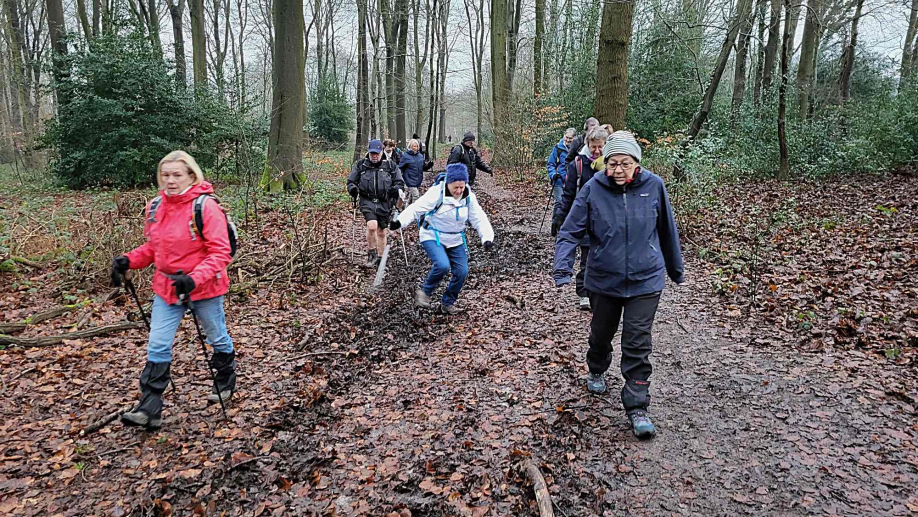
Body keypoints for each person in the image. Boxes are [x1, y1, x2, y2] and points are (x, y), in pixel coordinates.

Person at [553, 131, 684, 439]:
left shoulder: (654, 187)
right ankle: (597, 367)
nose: (618, 170)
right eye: (612, 163)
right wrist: (563, 269)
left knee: (637, 343)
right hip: (604, 280)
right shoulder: (593, 189)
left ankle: (637, 406)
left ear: (637, 162)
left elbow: (667, 232)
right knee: (601, 334)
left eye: (625, 163)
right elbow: (570, 231)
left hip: (645, 280)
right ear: (604, 163)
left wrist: (675, 270)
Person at [111, 151, 237, 430]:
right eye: (165, 175)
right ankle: (150, 406)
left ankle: (226, 378)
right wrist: (129, 260)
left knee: (216, 337)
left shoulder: (205, 207)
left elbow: (221, 252)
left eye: (176, 175)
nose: (170, 180)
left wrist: (194, 278)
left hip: (204, 287)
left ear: (191, 175)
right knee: (157, 342)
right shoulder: (156, 207)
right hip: (167, 288)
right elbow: (153, 249)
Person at [389, 163, 494, 314]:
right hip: (432, 235)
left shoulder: (469, 197)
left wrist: (487, 238)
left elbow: (479, 218)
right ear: (448, 183)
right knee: (443, 265)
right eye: (455, 187)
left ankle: (447, 303)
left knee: (462, 271)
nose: (458, 191)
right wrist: (399, 222)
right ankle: (424, 292)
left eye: (461, 187)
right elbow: (415, 209)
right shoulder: (436, 193)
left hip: (455, 238)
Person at [551, 126, 610, 311]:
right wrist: (559, 216)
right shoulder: (577, 165)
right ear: (587, 144)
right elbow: (568, 194)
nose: (597, 151)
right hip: (583, 219)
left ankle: (600, 291)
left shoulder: (612, 165)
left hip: (606, 220)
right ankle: (583, 293)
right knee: (587, 258)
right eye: (594, 147)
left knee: (602, 258)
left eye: (600, 147)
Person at [348, 139, 405, 267]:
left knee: (381, 231)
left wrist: (396, 189)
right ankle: (371, 253)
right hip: (367, 200)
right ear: (368, 153)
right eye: (372, 153)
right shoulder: (361, 165)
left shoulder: (390, 166)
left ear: (381, 152)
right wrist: (352, 189)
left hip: (385, 202)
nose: (374, 156)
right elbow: (351, 181)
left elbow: (399, 182)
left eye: (377, 153)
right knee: (372, 225)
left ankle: (381, 258)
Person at [398, 138, 433, 206]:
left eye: (417, 146)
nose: (416, 148)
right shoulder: (406, 156)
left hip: (418, 180)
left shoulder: (420, 156)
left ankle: (406, 210)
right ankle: (414, 212)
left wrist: (429, 164)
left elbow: (424, 167)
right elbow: (400, 167)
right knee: (416, 196)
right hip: (410, 180)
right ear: (410, 146)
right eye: (414, 146)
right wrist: (401, 178)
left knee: (411, 197)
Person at [546, 128, 576, 205]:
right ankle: (556, 217)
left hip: (572, 181)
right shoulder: (558, 148)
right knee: (560, 202)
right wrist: (553, 174)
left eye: (570, 138)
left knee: (570, 204)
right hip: (559, 180)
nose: (568, 140)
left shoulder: (577, 149)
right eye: (567, 137)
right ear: (564, 136)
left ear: (574, 138)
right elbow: (550, 164)